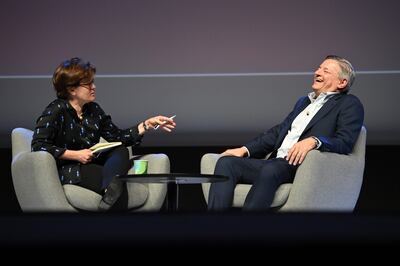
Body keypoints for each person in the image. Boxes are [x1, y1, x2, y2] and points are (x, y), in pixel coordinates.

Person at [208, 55, 364, 211]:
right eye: (318, 68)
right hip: (274, 163)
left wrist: (315, 141)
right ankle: (215, 226)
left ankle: (248, 229)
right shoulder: (303, 102)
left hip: (299, 165)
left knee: (271, 169)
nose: (317, 72)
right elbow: (278, 132)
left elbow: (345, 141)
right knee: (227, 162)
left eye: (326, 71)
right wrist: (244, 150)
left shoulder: (349, 104)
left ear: (342, 82)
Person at [31, 57, 176, 211]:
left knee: (120, 150)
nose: (94, 87)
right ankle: (112, 198)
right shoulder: (55, 110)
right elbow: (39, 146)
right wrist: (75, 155)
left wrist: (147, 124)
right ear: (71, 89)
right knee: (119, 184)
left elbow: (118, 137)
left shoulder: (93, 110)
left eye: (93, 82)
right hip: (71, 169)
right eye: (88, 84)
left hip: (92, 162)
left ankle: (109, 193)